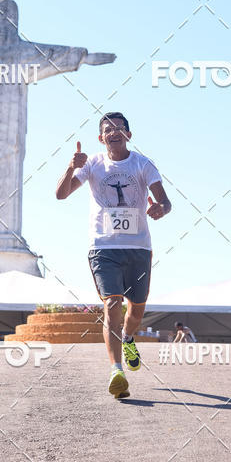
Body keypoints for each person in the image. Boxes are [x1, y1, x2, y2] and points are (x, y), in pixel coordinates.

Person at [56, 112, 171, 397]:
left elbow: (165, 201)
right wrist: (71, 167)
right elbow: (61, 194)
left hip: (139, 248)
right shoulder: (92, 163)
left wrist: (160, 208)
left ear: (129, 134)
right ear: (100, 137)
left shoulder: (143, 164)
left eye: (120, 128)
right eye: (108, 129)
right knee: (112, 304)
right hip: (103, 247)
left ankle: (129, 337)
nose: (114, 133)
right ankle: (116, 371)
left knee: (137, 310)